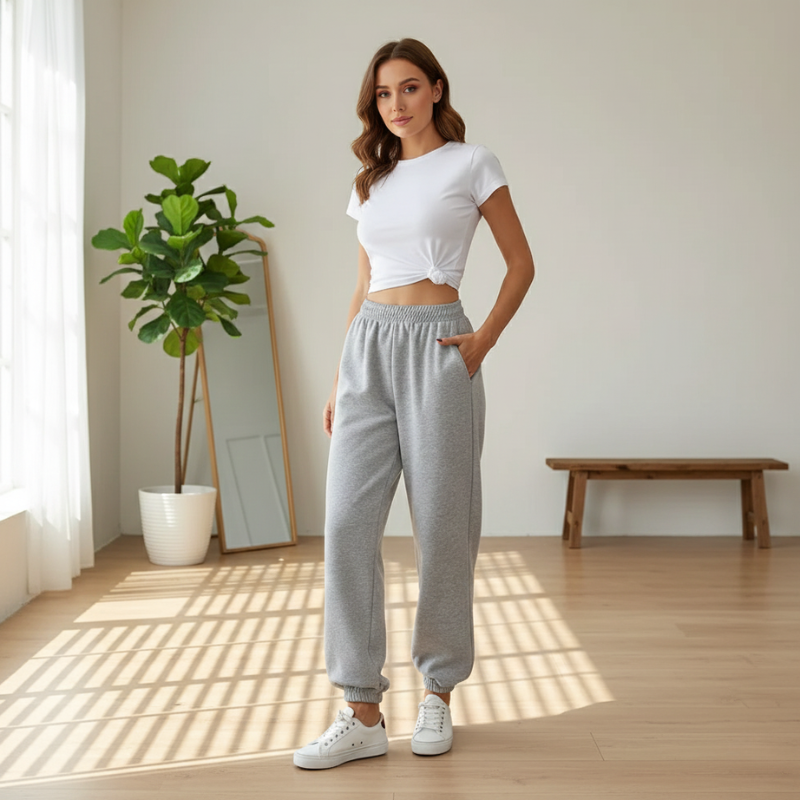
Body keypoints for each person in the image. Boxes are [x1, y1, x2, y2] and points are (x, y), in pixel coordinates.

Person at [293, 38, 534, 770]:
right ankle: (361, 710)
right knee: (346, 524)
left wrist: (481, 342)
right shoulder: (370, 181)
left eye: (407, 88)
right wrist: (340, 377)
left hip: (439, 347)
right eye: (382, 93)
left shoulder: (472, 163)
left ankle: (438, 693)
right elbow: (362, 285)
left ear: (435, 89)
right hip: (368, 349)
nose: (395, 104)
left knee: (443, 528)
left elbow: (521, 263)